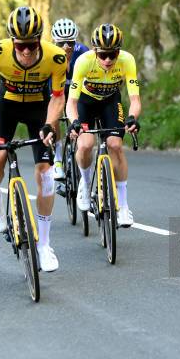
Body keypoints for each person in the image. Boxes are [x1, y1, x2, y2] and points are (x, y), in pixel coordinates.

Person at [0, 6, 67, 272]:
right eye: (20, 46)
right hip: (6, 107)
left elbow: (58, 97)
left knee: (46, 176)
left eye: (31, 45)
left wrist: (50, 124)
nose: (25, 51)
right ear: (12, 41)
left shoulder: (55, 57)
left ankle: (44, 245)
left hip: (39, 110)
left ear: (39, 40)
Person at [65, 23, 141, 228]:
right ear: (94, 51)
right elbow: (71, 102)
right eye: (103, 55)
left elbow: (134, 99)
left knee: (115, 145)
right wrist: (74, 122)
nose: (108, 60)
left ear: (119, 52)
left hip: (110, 102)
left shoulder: (127, 60)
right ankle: (86, 180)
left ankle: (123, 206)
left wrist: (132, 118)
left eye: (112, 54)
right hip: (85, 104)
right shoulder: (83, 61)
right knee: (85, 144)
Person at [49, 18, 89, 181]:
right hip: (57, 90)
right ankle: (58, 159)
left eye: (70, 43)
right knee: (55, 113)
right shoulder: (49, 55)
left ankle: (82, 156)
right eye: (61, 44)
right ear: (55, 43)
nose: (66, 47)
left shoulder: (83, 52)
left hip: (77, 91)